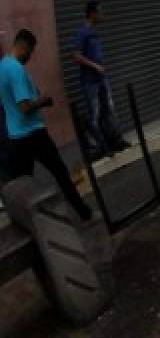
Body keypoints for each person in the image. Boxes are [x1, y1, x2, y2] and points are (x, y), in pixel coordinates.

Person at [0, 30, 93, 221]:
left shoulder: (2, 66)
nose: (30, 56)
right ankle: (83, 212)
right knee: (60, 173)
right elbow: (25, 106)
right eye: (31, 51)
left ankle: (28, 224)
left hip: (16, 137)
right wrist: (44, 100)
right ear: (24, 46)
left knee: (24, 186)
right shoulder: (16, 69)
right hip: (34, 135)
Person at [71, 1, 131, 159]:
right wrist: (94, 66)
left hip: (102, 79)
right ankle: (100, 147)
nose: (102, 15)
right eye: (100, 12)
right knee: (94, 114)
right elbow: (76, 56)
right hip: (90, 82)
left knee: (109, 109)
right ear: (92, 13)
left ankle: (115, 141)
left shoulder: (93, 32)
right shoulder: (82, 32)